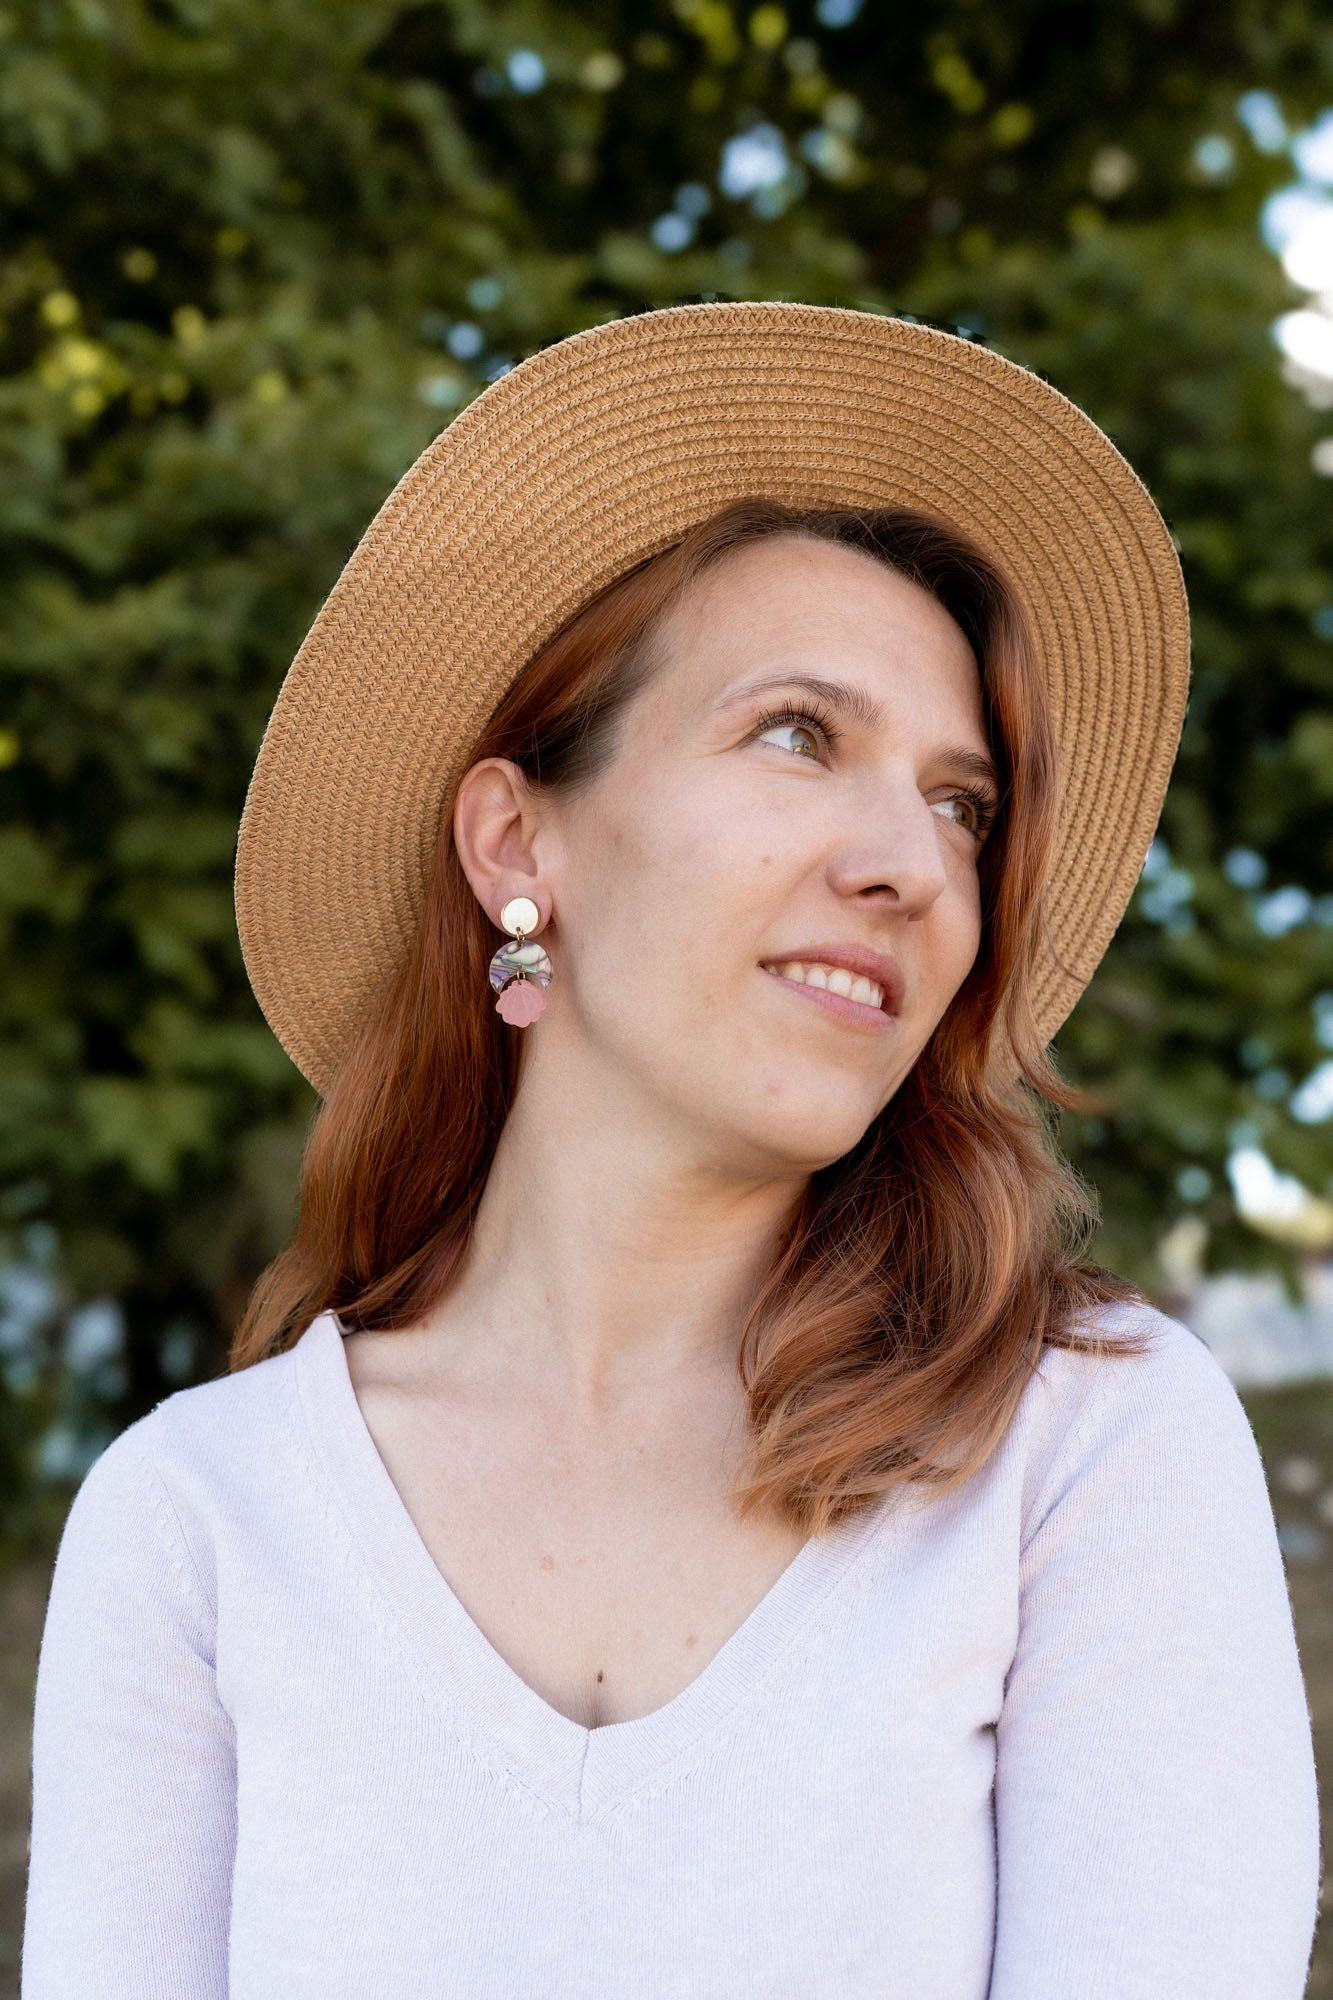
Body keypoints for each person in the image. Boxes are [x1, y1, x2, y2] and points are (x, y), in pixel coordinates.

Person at [21, 302, 1320, 1998]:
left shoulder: (1084, 1453)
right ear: (517, 843)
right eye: (799, 734)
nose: (913, 864)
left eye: (962, 803)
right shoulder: (197, 1521)